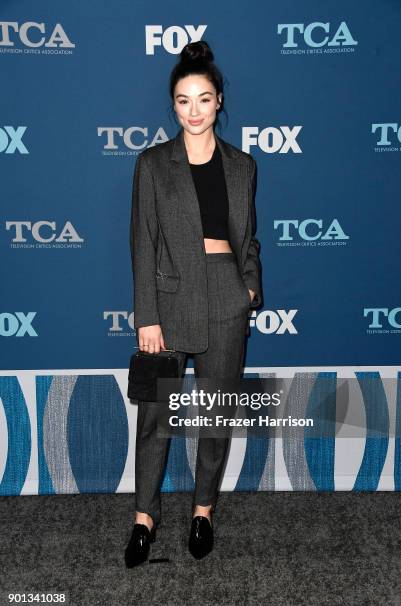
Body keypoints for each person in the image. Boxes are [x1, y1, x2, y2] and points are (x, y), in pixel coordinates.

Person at [125, 40, 263, 567]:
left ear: (219, 100)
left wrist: (249, 284)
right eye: (184, 100)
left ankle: (202, 511)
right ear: (174, 105)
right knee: (155, 420)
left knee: (214, 418)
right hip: (170, 298)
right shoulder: (153, 165)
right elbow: (142, 242)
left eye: (204, 99)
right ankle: (145, 517)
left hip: (227, 297)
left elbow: (248, 237)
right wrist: (148, 317)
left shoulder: (243, 166)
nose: (195, 110)